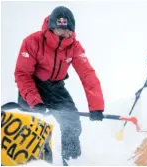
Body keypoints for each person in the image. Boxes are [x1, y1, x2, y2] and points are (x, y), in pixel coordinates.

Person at [14, 6, 105, 160]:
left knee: (72, 123)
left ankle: (72, 159)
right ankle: (31, 160)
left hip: (56, 87)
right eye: (59, 30)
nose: (64, 34)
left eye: (67, 30)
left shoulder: (75, 47)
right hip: (33, 85)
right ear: (51, 27)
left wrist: (96, 107)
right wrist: (35, 101)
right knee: (33, 122)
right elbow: (22, 74)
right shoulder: (32, 41)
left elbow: (87, 75)